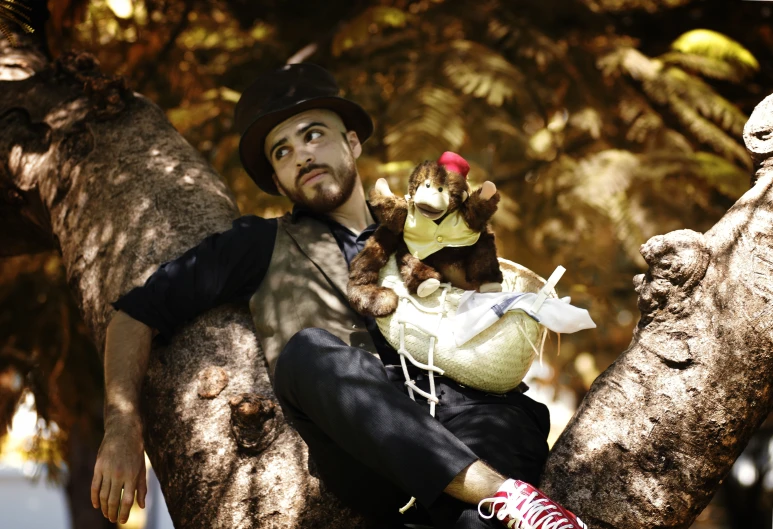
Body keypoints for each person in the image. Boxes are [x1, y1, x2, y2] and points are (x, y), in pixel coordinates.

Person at [90, 63, 587, 529]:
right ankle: (509, 497)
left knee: (476, 517)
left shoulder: (423, 223)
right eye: (281, 152)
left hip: (481, 414)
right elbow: (136, 312)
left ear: (351, 143)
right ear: (277, 178)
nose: (301, 155)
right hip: (368, 445)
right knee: (308, 353)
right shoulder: (257, 243)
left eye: (313, 135)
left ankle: (500, 502)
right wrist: (120, 427)